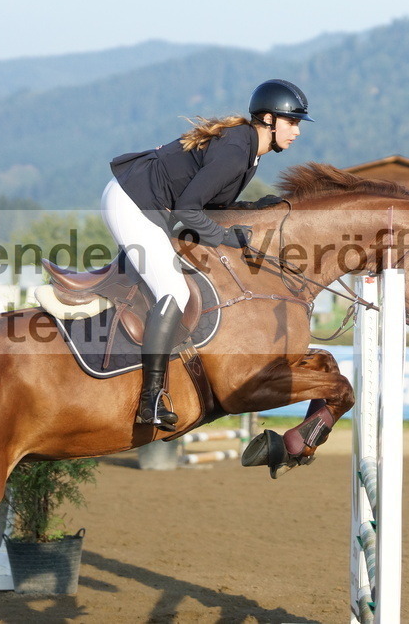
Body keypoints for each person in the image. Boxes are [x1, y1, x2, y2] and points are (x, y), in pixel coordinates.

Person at [102, 79, 313, 431]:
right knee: (174, 291)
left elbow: (210, 204)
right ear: (267, 120)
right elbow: (189, 210)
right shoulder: (236, 150)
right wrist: (227, 238)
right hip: (131, 202)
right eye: (292, 122)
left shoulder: (250, 151)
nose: (297, 132)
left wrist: (252, 210)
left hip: (154, 206)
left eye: (297, 124)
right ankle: (150, 400)